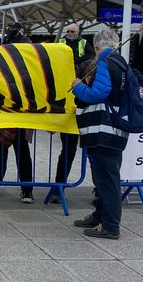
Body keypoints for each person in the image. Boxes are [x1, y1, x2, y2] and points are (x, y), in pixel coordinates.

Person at [71, 28, 127, 240]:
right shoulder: (120, 62)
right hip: (113, 129)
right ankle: (100, 215)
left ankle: (110, 226)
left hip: (104, 129)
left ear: (96, 46)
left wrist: (78, 87)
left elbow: (98, 94)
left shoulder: (106, 61)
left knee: (107, 179)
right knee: (104, 177)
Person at [0, 22, 35, 203]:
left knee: (22, 153)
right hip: (3, 113)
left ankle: (27, 188)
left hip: (20, 114)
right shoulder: (1, 65)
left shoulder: (30, 71)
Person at [51, 23, 95, 202]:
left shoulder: (87, 54)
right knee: (68, 151)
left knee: (91, 152)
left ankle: (99, 190)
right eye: (68, 31)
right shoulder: (60, 43)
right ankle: (58, 187)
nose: (69, 34)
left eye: (73, 32)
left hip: (85, 111)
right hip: (68, 109)